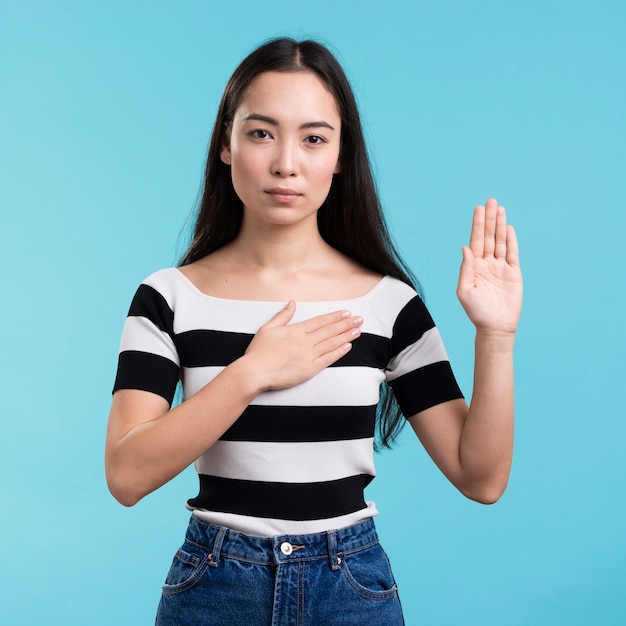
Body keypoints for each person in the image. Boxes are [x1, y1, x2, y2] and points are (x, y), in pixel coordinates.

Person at [105, 37, 523, 626]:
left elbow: (480, 477)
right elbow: (126, 475)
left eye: (314, 138)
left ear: (340, 155)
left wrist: (496, 338)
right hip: (214, 587)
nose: (286, 163)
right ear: (226, 144)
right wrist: (251, 373)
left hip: (348, 587)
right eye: (261, 133)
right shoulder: (168, 298)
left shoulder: (389, 305)